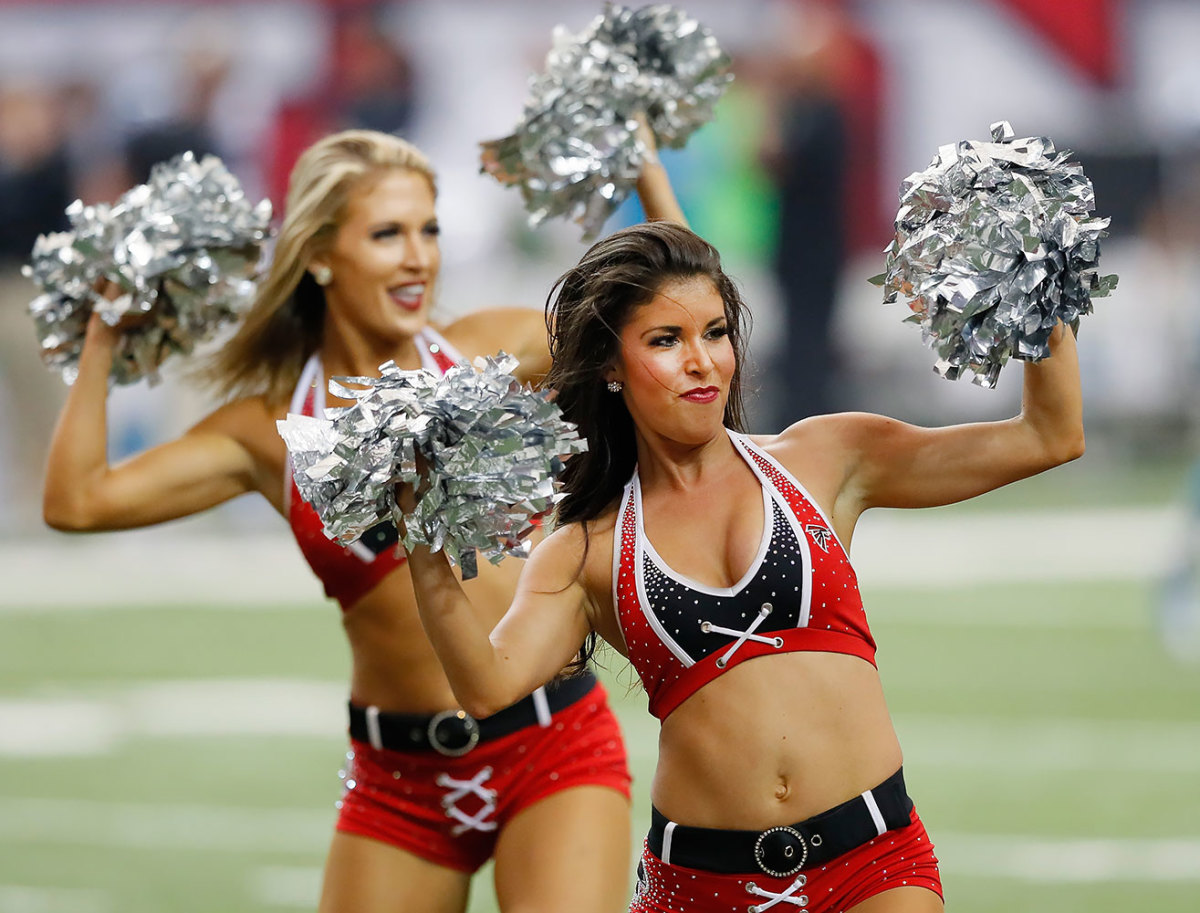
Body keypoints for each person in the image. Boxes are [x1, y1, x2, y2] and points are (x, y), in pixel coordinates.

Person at [41, 128, 686, 913]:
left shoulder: (499, 351)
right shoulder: (270, 427)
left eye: (429, 230)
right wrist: (104, 333)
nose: (418, 256)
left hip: (551, 744)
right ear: (319, 256)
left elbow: (669, 313)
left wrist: (647, 168)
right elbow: (78, 502)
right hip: (397, 778)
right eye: (387, 234)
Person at [402, 221, 1085, 912]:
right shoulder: (588, 548)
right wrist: (417, 531)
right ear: (611, 364)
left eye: (716, 332)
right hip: (699, 884)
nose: (702, 361)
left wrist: (1036, 271)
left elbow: (1048, 435)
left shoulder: (825, 457)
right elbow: (488, 686)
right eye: (666, 341)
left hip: (872, 863)